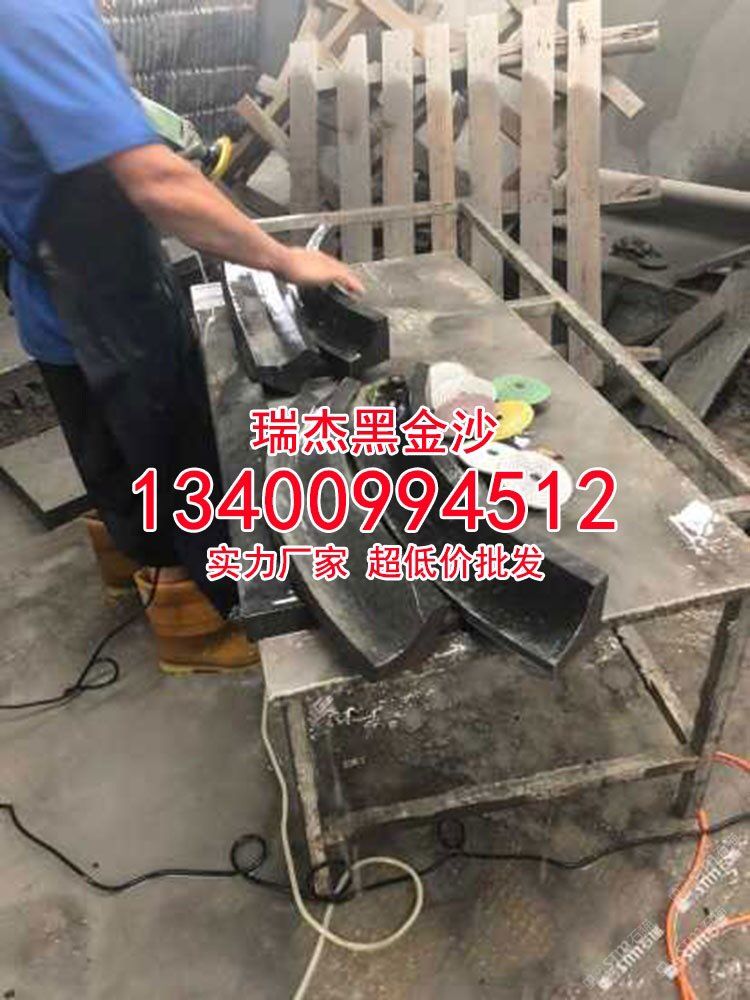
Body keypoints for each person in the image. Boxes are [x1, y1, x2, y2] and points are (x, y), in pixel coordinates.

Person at [0, 0, 363, 673]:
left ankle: (126, 563)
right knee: (174, 454)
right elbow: (157, 180)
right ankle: (196, 624)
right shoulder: (35, 12)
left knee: (105, 440)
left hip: (47, 279)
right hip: (102, 288)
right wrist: (283, 259)